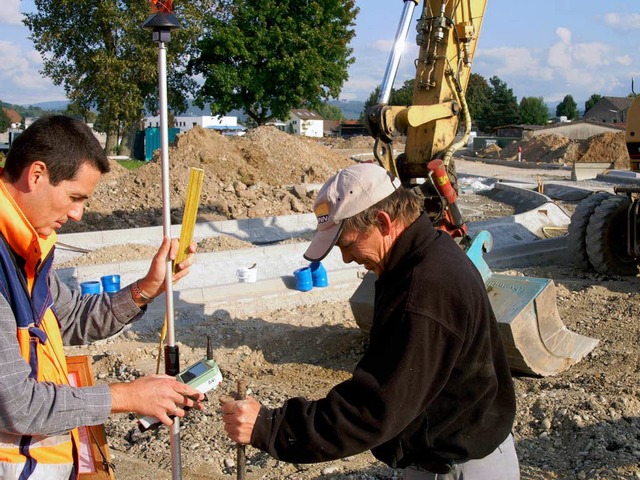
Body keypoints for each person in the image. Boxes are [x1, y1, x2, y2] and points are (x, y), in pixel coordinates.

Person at [221, 162, 519, 479]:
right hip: (447, 454)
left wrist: (269, 427)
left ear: (382, 222)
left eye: (347, 244)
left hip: (458, 468)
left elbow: (374, 408)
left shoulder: (424, 289)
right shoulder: (425, 255)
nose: (347, 258)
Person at [0, 115, 204, 479]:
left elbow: (74, 317)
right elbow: (19, 405)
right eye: (74, 197)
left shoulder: (27, 250)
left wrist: (146, 289)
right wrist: (126, 396)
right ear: (36, 175)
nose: (78, 214)